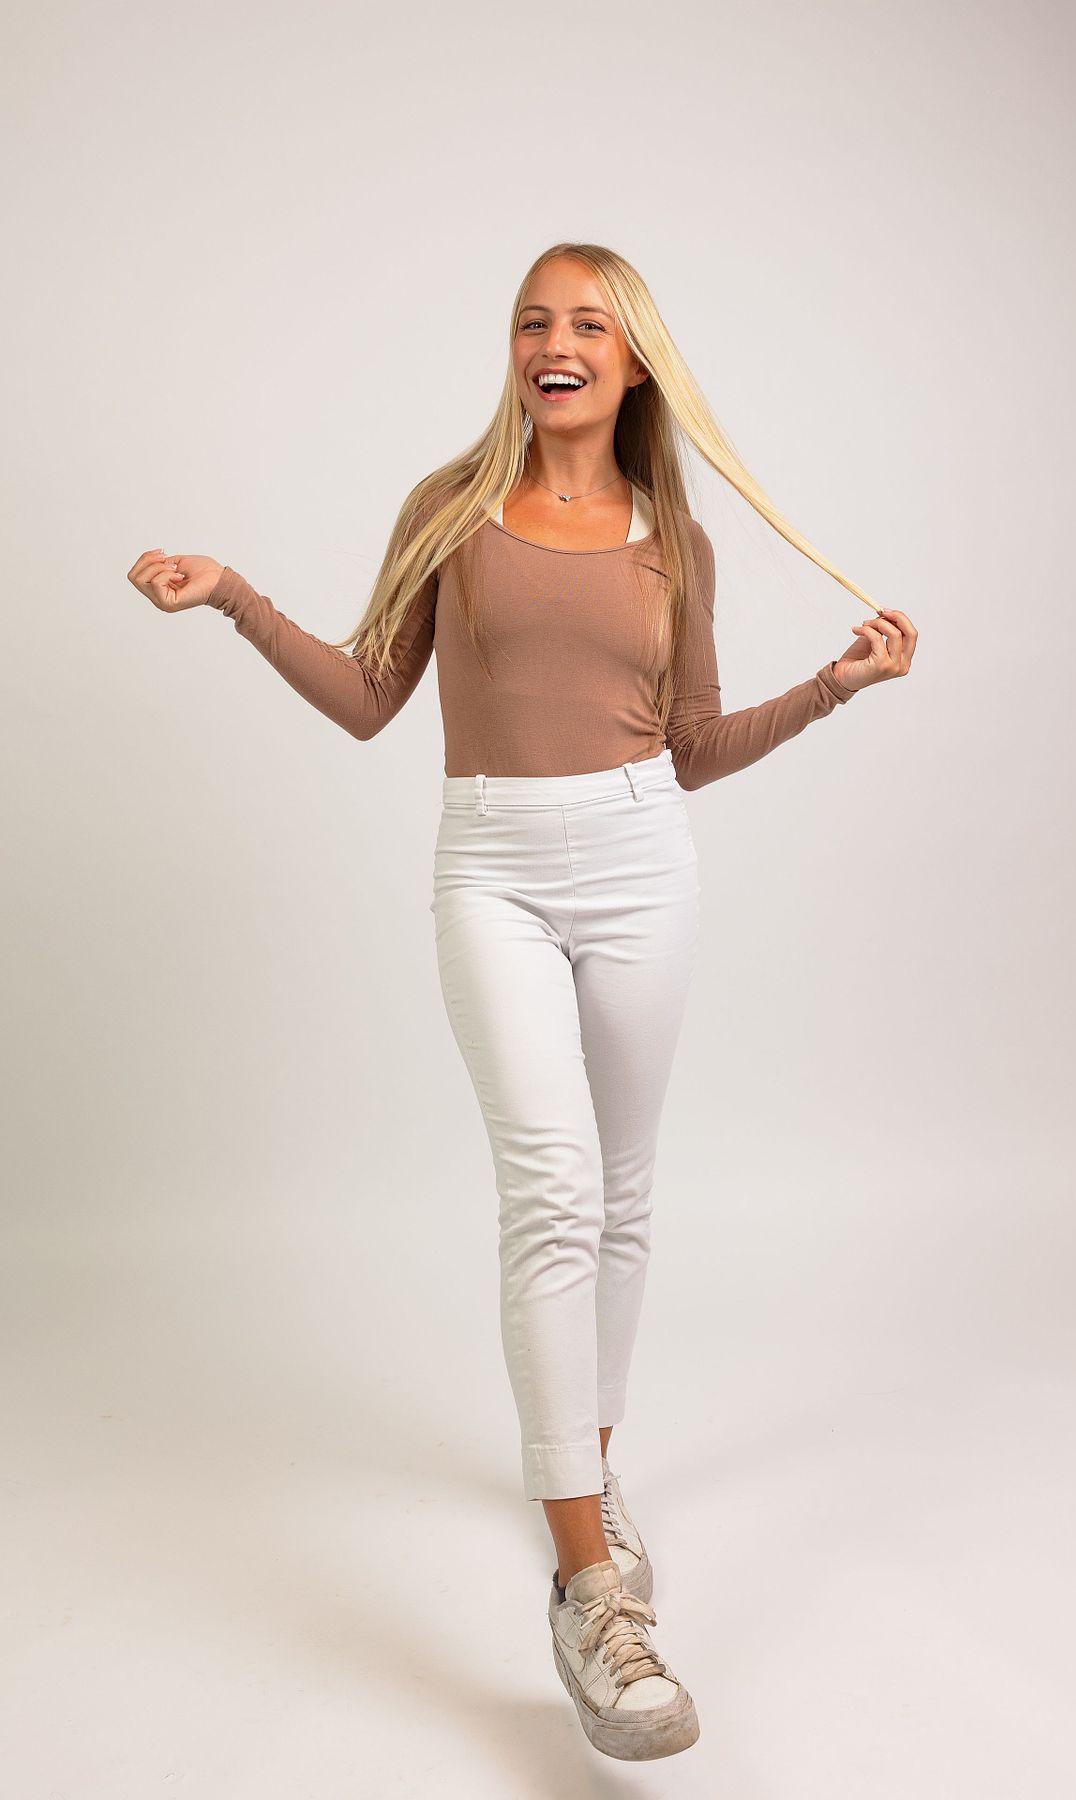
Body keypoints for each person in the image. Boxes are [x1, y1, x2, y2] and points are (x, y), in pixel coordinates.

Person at [126, 240, 916, 1764]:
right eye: (534, 320)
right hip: (491, 864)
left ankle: (587, 1473)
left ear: (634, 364)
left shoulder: (675, 539)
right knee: (552, 1185)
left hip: (641, 858)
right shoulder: (449, 509)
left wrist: (834, 685)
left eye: (590, 325)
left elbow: (690, 747)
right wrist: (228, 594)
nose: (557, 342)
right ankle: (587, 1590)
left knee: (621, 1193)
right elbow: (371, 698)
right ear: (516, 350)